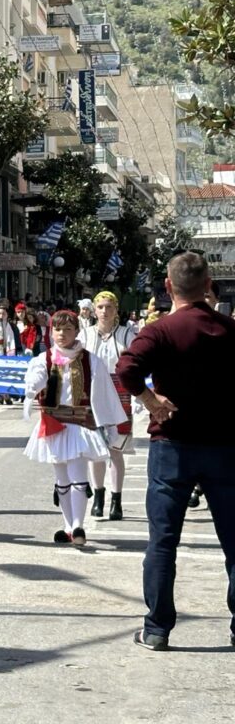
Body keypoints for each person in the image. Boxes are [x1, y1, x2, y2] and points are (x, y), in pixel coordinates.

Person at [116, 252, 235, 651]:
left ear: (168, 287)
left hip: (172, 445)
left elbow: (126, 369)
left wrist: (150, 400)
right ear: (208, 286)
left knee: (163, 541)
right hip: (224, 446)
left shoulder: (160, 331)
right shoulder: (227, 328)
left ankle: (157, 627)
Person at [23, 310, 126, 548]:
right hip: (54, 424)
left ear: (77, 332)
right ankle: (68, 526)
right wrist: (35, 384)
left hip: (80, 425)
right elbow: (34, 382)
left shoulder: (90, 360)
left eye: (67, 329)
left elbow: (104, 394)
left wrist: (109, 424)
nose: (61, 334)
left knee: (79, 476)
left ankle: (79, 525)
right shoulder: (44, 359)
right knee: (61, 478)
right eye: (57, 329)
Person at [80, 290, 138, 520]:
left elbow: (137, 363)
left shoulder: (126, 334)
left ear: (116, 310)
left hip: (119, 393)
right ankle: (99, 497)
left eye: (109, 307)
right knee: (95, 449)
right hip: (93, 394)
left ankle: (116, 500)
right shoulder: (85, 335)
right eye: (101, 307)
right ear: (94, 311)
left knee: (115, 449)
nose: (105, 311)